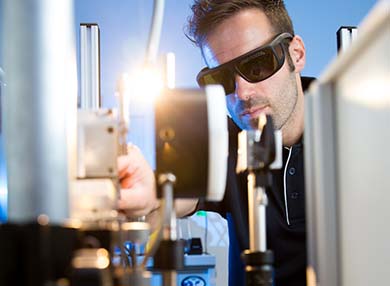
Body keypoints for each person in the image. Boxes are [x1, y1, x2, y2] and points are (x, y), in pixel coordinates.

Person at [118, 1, 314, 285]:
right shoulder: (225, 141)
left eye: (257, 65)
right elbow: (169, 198)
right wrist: (148, 194)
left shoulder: (353, 128)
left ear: (296, 54)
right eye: (222, 77)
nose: (242, 93)